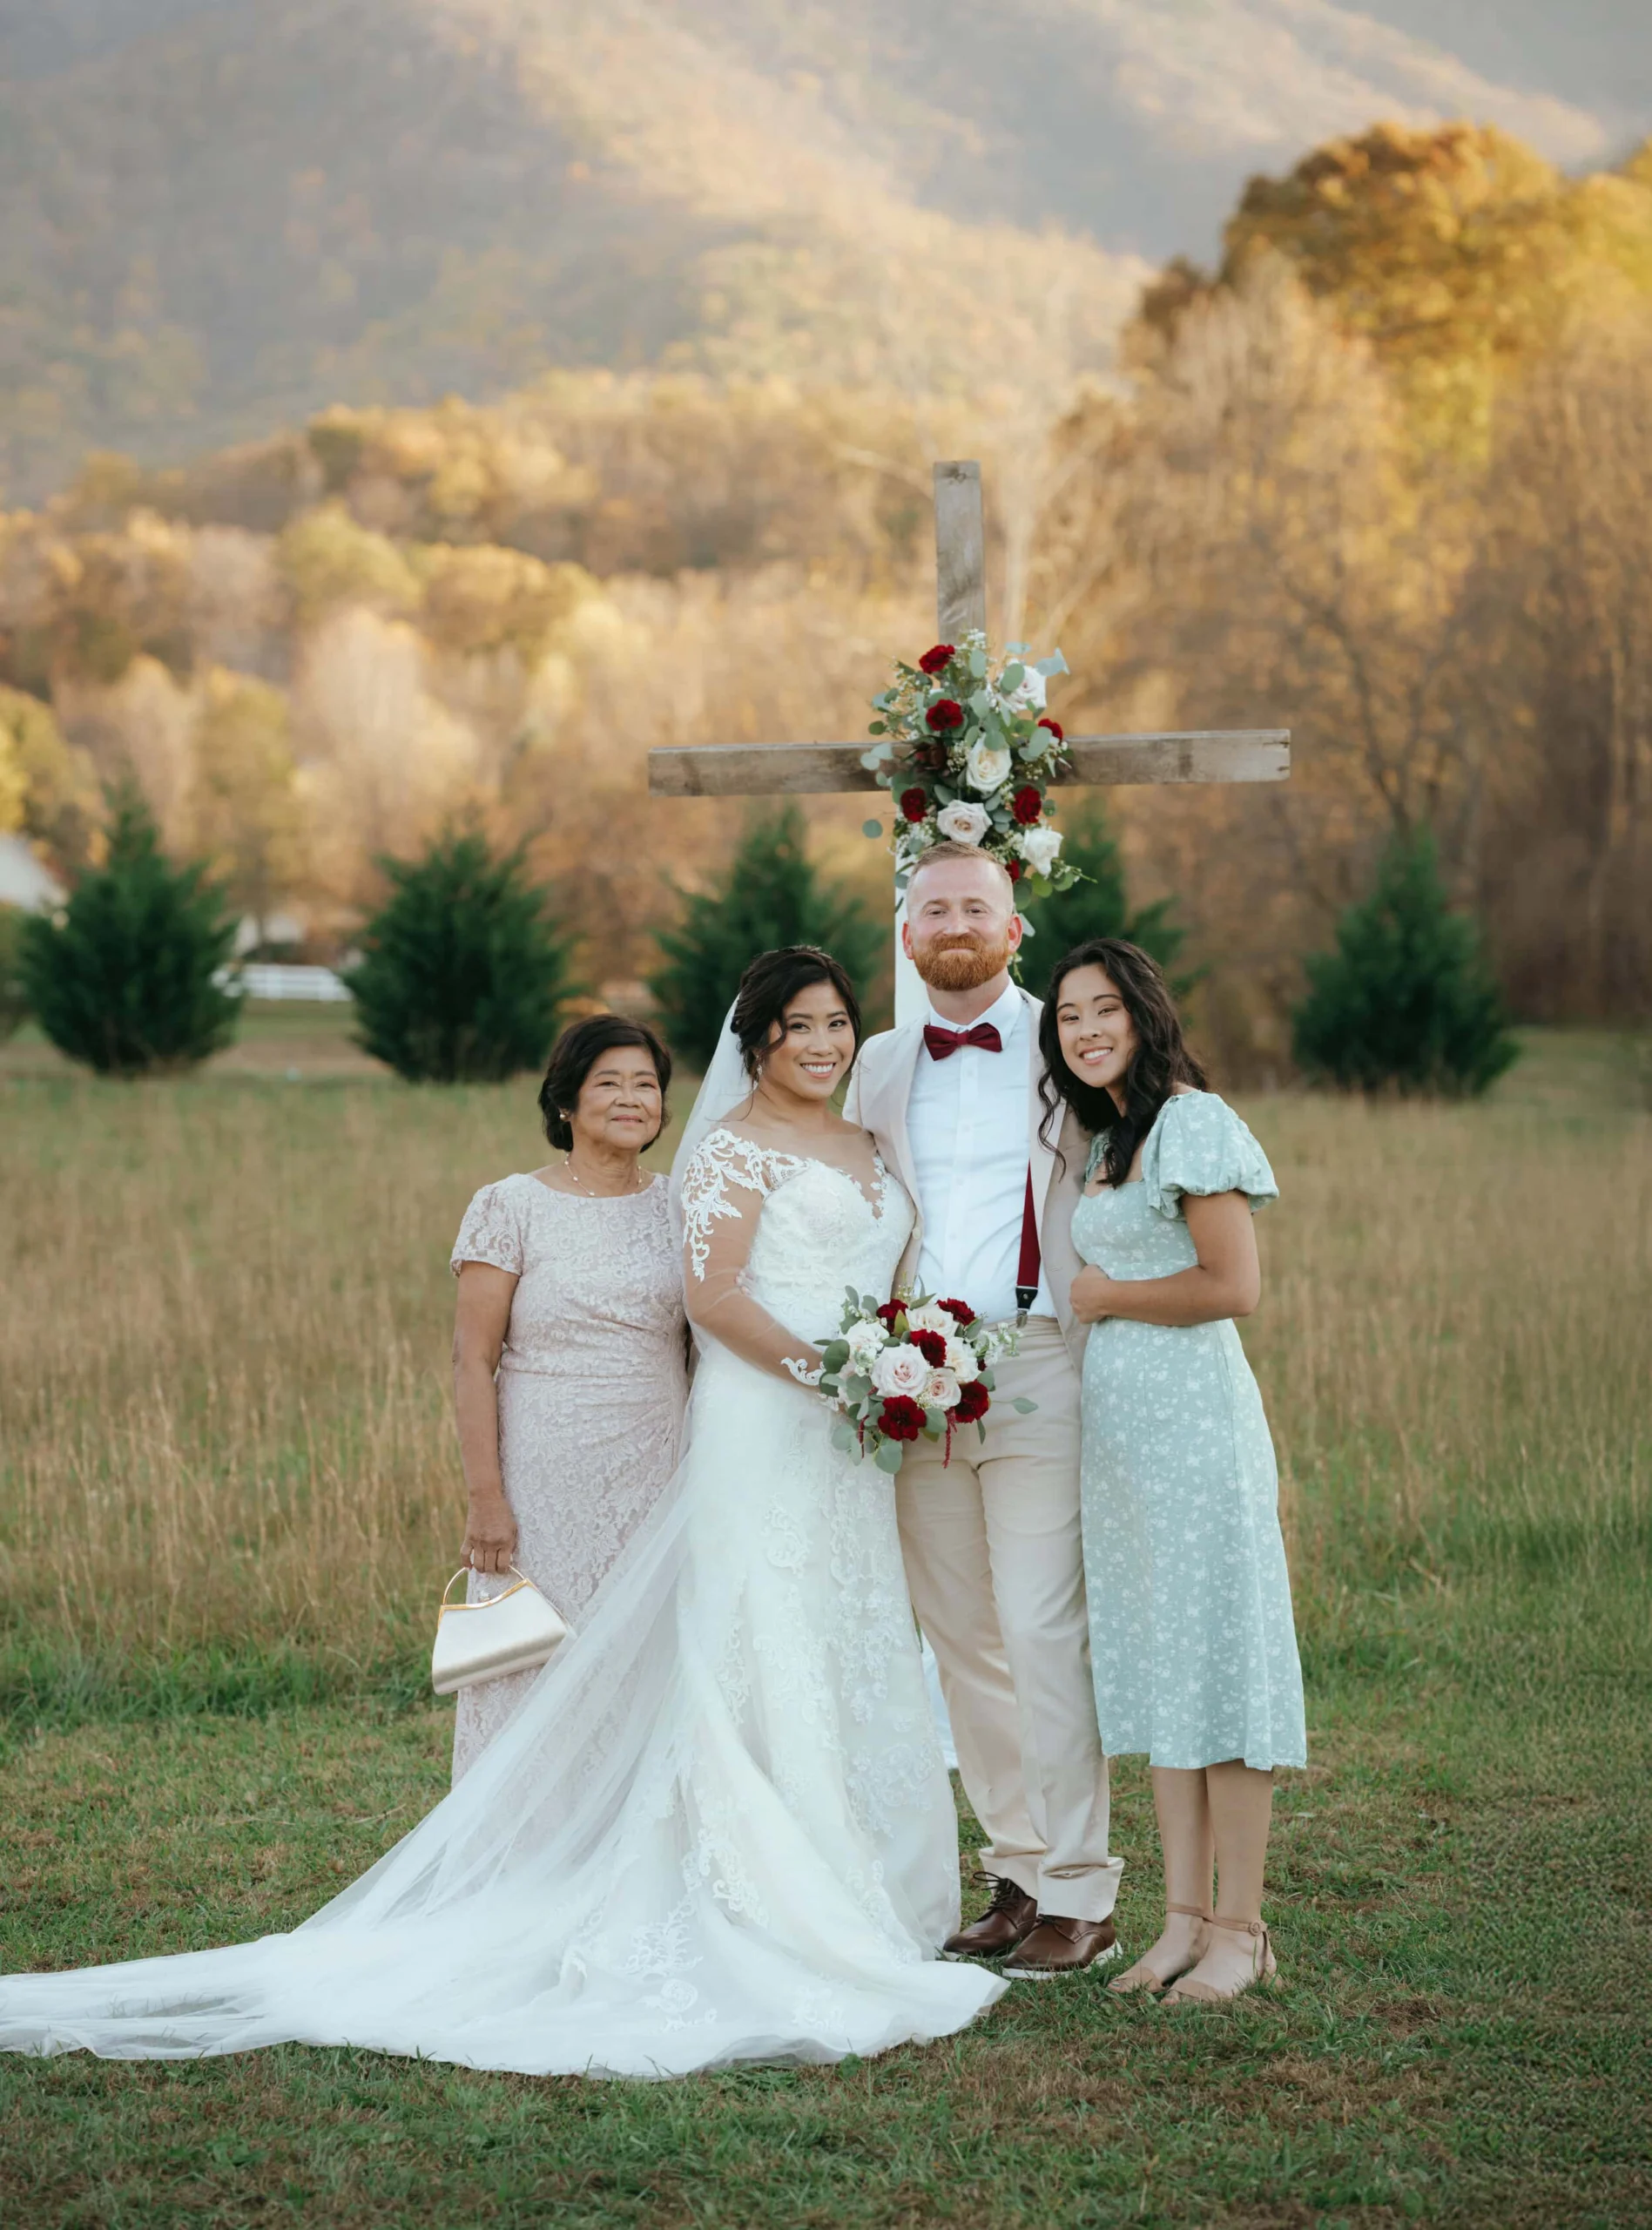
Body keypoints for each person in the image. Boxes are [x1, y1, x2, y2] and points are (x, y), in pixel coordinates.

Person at [0, 948, 1001, 2075]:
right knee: (710, 1652)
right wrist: (837, 1374)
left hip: (808, 1449)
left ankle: (853, 1876)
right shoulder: (654, 1171)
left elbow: (739, 1310)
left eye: (835, 1024)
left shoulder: (831, 1154)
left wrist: (910, 1364)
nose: (821, 1043)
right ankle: (670, 1877)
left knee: (822, 1643)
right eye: (797, 1025)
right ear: (753, 1041)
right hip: (721, 1430)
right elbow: (684, 1306)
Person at [846, 841, 1123, 1978]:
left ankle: (1083, 1890)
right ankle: (1017, 1871)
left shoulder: (1070, 1047)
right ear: (908, 937)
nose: (954, 923)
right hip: (913, 1382)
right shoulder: (873, 1064)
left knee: (1043, 1630)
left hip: (1039, 1359)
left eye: (977, 907)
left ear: (1015, 931)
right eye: (933, 909)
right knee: (960, 1638)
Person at [1043, 937, 1305, 2004]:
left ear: (1144, 1014)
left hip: (1197, 1433)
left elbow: (1232, 1284)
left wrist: (1107, 1297)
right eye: (1068, 1016)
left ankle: (1241, 1928)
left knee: (1218, 1666)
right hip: (1125, 1448)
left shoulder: (1193, 1122)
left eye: (1103, 1008)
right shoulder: (1112, 1140)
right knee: (1160, 1671)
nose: (1086, 1030)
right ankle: (1182, 1922)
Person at [448, 1015, 686, 1779]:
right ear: (565, 1101)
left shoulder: (682, 1207)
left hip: (657, 1469)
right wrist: (486, 1498)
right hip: (543, 1477)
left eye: (645, 1084)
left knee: (645, 1651)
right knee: (536, 1656)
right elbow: (471, 1360)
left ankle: (631, 1825)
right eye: (608, 1082)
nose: (631, 1098)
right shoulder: (511, 1204)